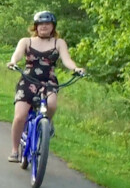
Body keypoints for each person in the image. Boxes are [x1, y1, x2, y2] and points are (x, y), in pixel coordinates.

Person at [6, 11, 84, 161]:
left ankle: (47, 123)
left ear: (53, 27)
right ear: (35, 26)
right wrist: (13, 62)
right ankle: (15, 150)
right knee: (20, 117)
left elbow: (67, 60)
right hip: (28, 80)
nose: (44, 27)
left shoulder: (58, 43)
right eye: (41, 24)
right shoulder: (26, 41)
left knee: (52, 104)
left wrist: (75, 69)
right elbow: (17, 55)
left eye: (47, 24)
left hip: (49, 81)